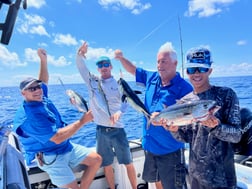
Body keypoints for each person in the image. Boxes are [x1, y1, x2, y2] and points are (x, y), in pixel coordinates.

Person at [13, 48, 102, 189]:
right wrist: (83, 121)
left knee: (96, 159)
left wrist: (43, 60)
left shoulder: (40, 97)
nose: (37, 90)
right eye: (32, 89)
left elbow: (43, 81)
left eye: (38, 87)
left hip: (66, 147)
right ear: (23, 93)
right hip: (50, 155)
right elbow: (57, 137)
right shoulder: (29, 117)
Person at [114, 42, 193, 189]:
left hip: (170, 150)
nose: (159, 65)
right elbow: (133, 70)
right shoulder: (152, 77)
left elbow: (190, 122)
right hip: (149, 146)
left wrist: (168, 120)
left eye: (164, 61)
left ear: (175, 63)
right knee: (156, 181)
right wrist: (121, 58)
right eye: (158, 61)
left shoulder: (185, 88)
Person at [166, 46, 242, 189]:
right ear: (186, 72)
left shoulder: (227, 95)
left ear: (210, 70)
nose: (196, 73)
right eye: (191, 69)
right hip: (196, 177)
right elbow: (185, 137)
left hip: (223, 179)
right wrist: (174, 129)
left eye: (201, 69)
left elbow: (237, 136)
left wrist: (217, 127)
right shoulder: (184, 102)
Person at [76, 42, 137, 189]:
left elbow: (127, 99)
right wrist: (79, 55)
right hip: (101, 130)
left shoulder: (118, 83)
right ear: (97, 68)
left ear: (111, 67)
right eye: (100, 65)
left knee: (128, 162)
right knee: (106, 164)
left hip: (118, 129)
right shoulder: (93, 82)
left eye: (106, 64)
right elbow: (81, 67)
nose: (103, 67)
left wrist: (119, 112)